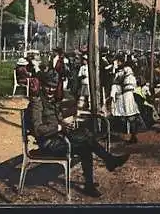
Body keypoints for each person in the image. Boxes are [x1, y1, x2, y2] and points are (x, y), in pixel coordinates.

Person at [26, 70, 130, 198]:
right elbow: (38, 130)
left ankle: (95, 179)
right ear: (42, 85)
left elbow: (55, 120)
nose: (51, 90)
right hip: (49, 145)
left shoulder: (51, 101)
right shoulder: (37, 103)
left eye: (53, 86)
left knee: (85, 136)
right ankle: (107, 163)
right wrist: (59, 127)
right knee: (86, 144)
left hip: (59, 139)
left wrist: (64, 123)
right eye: (48, 86)